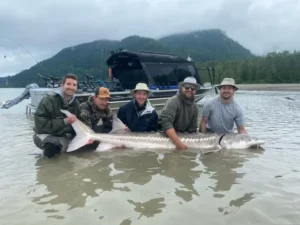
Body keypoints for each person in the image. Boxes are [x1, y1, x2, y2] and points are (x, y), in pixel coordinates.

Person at [32, 73, 81, 158]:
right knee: (52, 147)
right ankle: (47, 166)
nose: (71, 87)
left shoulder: (76, 103)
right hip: (43, 134)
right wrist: (65, 121)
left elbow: (80, 121)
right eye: (68, 84)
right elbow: (40, 125)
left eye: (74, 85)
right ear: (62, 85)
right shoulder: (48, 100)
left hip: (62, 135)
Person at [158, 77, 200, 150]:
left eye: (193, 89)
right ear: (181, 88)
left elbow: (192, 130)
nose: (190, 90)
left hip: (182, 139)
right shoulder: (173, 101)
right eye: (187, 87)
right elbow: (166, 123)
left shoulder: (195, 107)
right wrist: (178, 143)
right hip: (164, 138)